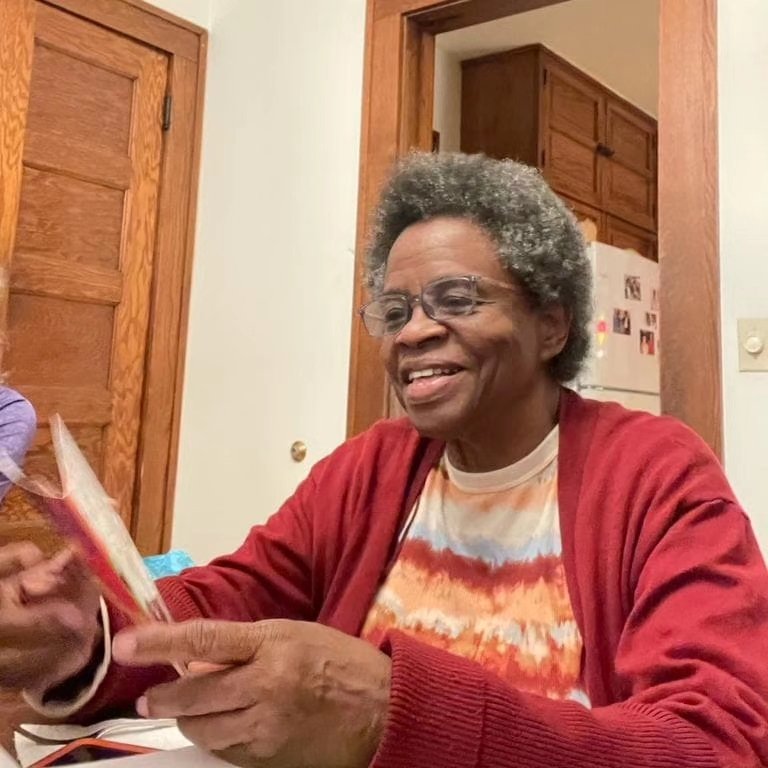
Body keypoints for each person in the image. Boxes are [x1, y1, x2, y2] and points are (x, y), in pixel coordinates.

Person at [1, 152, 767, 768]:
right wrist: (88, 638)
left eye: (457, 300)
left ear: (552, 325)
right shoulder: (373, 467)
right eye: (394, 311)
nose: (412, 332)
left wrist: (388, 712)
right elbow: (235, 598)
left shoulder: (658, 475)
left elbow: (717, 744)